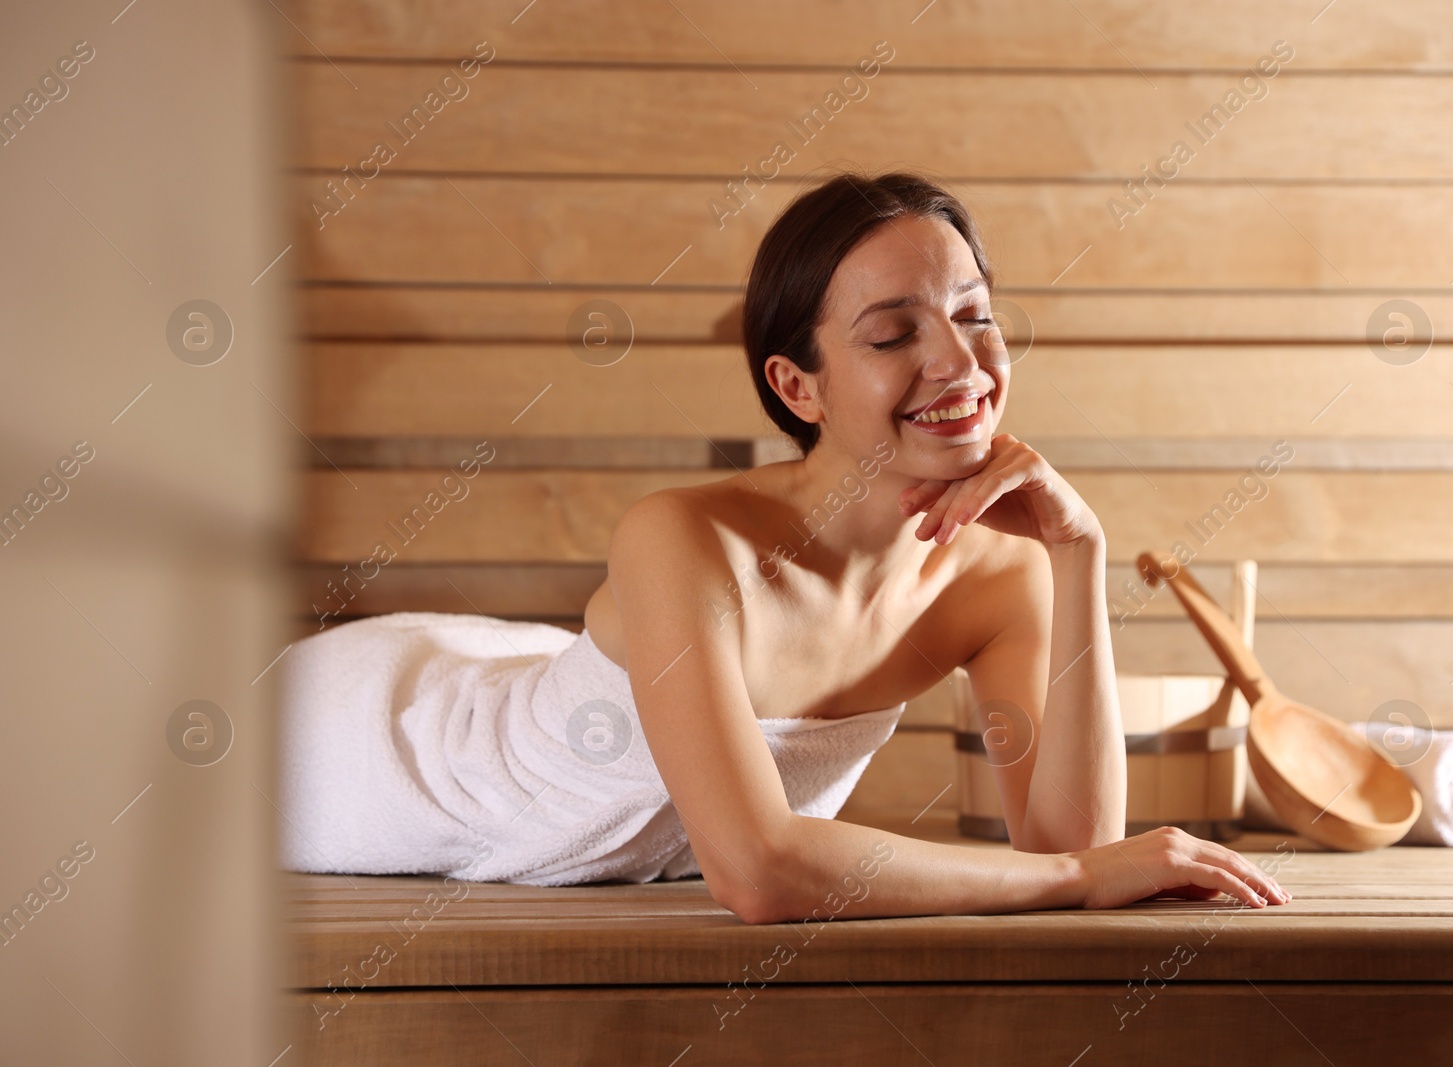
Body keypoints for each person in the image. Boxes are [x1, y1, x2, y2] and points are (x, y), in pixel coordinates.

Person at [276, 170, 1289, 923]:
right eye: (893, 335)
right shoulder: (684, 539)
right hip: (381, 750)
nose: (958, 360)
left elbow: (1074, 847)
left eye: (976, 315)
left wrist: (1080, 552)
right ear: (797, 386)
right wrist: (1073, 878)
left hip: (543, 688)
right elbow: (760, 871)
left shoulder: (998, 573)